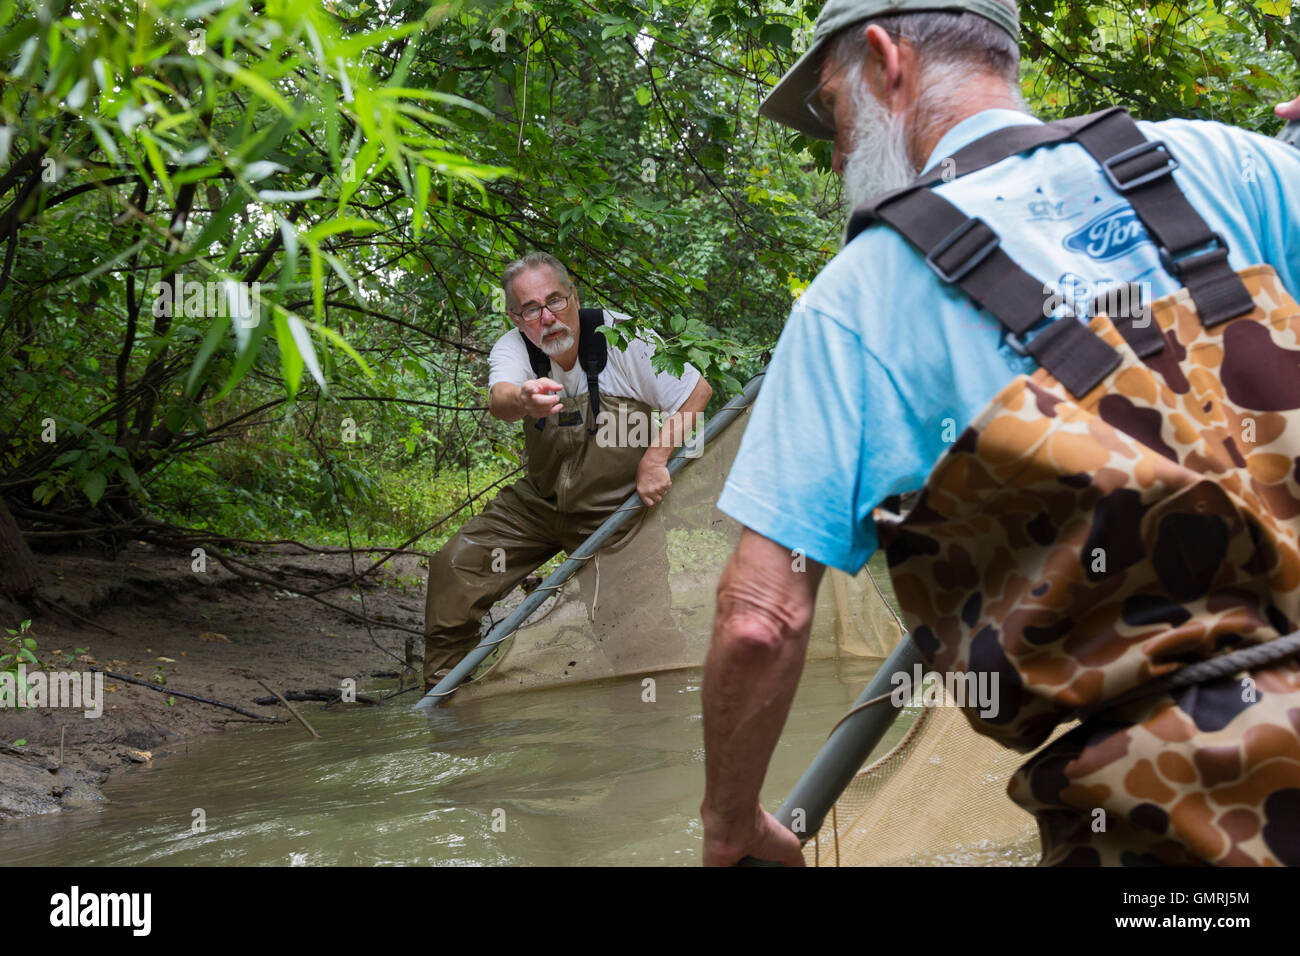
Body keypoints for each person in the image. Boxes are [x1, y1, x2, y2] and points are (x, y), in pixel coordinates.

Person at [702, 0, 1300, 866]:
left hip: (1178, 823)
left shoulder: (857, 298)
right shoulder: (1228, 163)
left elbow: (760, 619)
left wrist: (731, 824)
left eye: (834, 115)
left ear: (885, 60)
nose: (836, 155)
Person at [422, 252, 712, 691]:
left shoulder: (623, 337)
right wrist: (523, 398)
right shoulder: (513, 348)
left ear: (574, 297)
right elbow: (499, 399)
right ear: (516, 317)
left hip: (617, 515)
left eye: (555, 301)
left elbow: (696, 392)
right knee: (455, 567)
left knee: (641, 642)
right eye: (531, 309)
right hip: (538, 505)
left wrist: (655, 459)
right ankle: (445, 701)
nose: (547, 317)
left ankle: (654, 727)